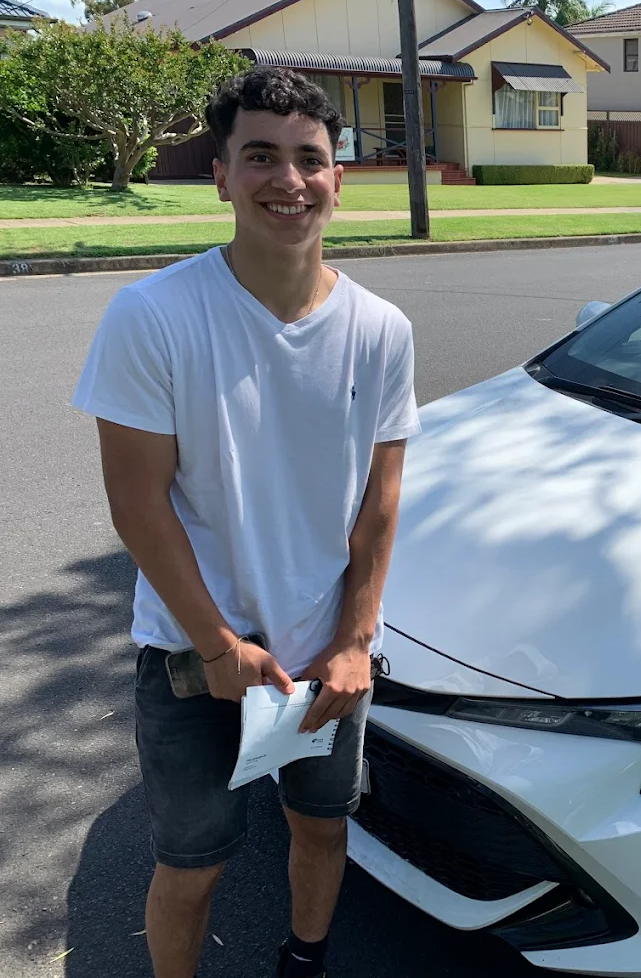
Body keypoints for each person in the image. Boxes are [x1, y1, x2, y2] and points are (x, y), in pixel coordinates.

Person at [72, 67, 420, 978]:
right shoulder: (154, 315)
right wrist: (219, 645)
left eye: (310, 159)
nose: (289, 180)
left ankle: (304, 959)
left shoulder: (381, 329)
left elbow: (379, 501)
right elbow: (137, 502)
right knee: (192, 865)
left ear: (339, 180)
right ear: (221, 174)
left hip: (326, 665)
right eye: (260, 156)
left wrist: (354, 638)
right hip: (196, 663)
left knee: (320, 829)